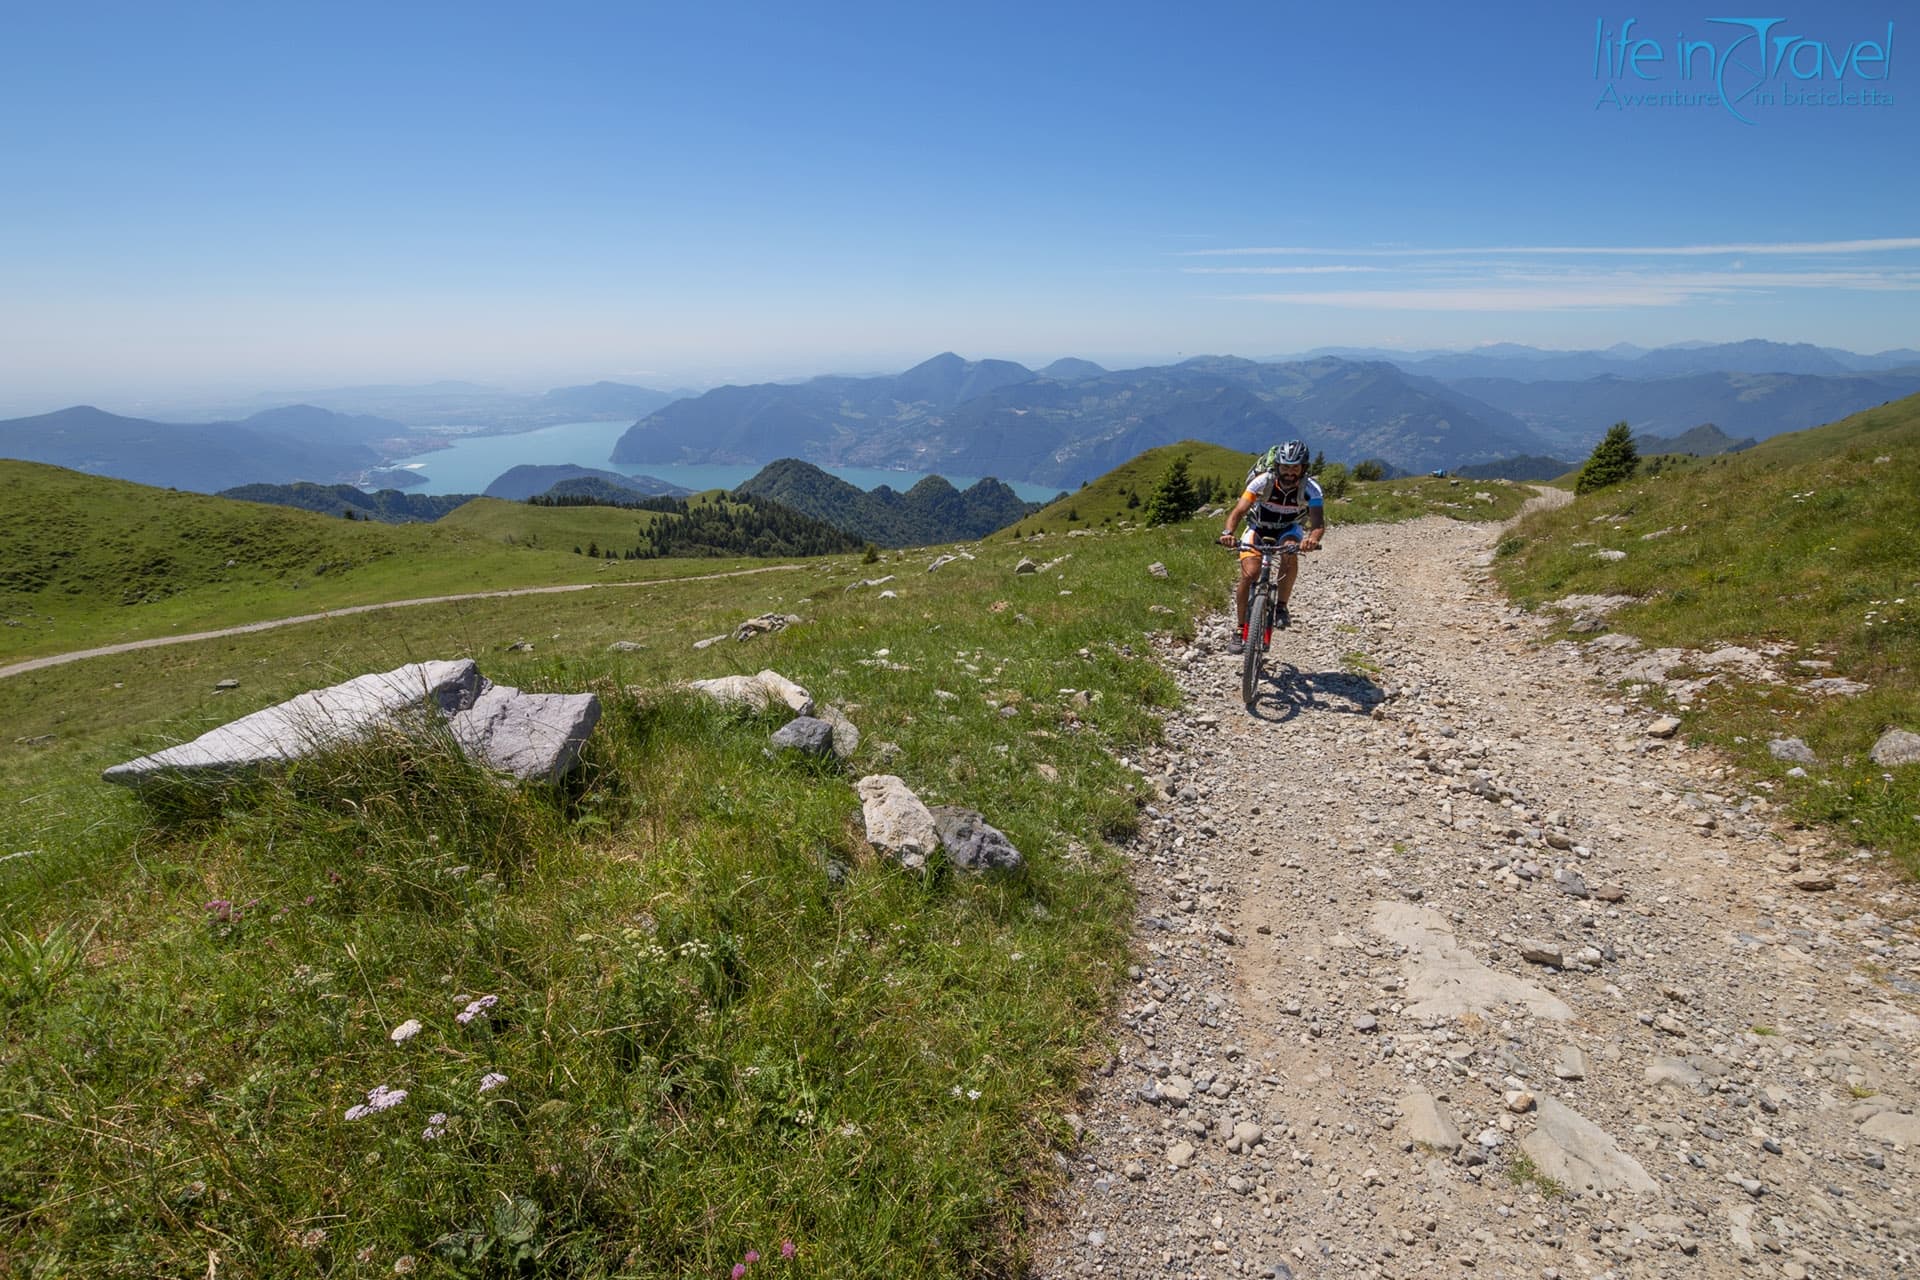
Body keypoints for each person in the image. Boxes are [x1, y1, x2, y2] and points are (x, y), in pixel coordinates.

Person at [1215, 440, 1324, 653]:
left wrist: (1312, 539)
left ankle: (1281, 607)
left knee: (1290, 550)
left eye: (1295, 467)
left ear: (1303, 468)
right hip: (1258, 527)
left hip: (1288, 529)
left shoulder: (1311, 489)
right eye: (1285, 467)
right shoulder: (1261, 482)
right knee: (1250, 574)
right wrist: (1228, 534)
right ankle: (1239, 629)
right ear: (1277, 466)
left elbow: (1318, 523)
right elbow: (1238, 511)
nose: (1290, 472)